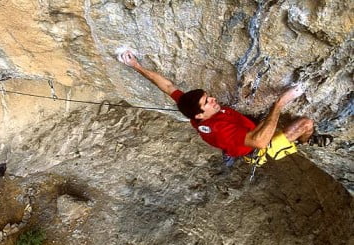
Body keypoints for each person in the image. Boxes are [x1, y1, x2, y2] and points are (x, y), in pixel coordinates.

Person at [120, 50, 332, 166]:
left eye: (207, 96)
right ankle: (308, 140)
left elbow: (167, 86)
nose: (212, 99)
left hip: (241, 135)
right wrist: (280, 103)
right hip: (257, 148)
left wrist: (136, 66)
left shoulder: (191, 108)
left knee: (247, 133)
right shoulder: (220, 128)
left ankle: (232, 151)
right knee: (306, 124)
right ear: (201, 114)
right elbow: (260, 141)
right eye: (207, 102)